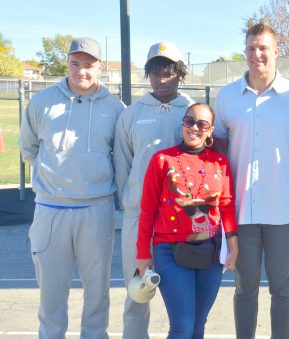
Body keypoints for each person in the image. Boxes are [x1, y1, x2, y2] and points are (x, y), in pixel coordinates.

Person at [214, 23, 289, 339]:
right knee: (244, 288)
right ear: (245, 52)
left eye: (263, 48)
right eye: (250, 48)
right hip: (241, 212)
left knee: (282, 288)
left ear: (276, 51)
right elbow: (218, 157)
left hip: (283, 211)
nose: (256, 54)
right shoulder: (228, 96)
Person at [19, 37, 125, 338]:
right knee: (51, 295)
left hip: (96, 208)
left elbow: (121, 154)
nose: (81, 71)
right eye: (75, 64)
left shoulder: (115, 107)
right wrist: (51, 177)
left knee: (97, 292)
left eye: (89, 65)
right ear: (67, 63)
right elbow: (28, 148)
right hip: (51, 209)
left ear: (100, 67)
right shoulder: (42, 101)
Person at [136, 103, 239, 338]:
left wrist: (233, 245)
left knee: (197, 326)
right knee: (181, 327)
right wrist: (143, 253)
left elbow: (227, 206)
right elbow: (148, 210)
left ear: (211, 130)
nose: (194, 127)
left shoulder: (219, 163)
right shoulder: (162, 160)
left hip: (210, 253)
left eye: (202, 124)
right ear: (182, 123)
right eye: (189, 121)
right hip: (169, 253)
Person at [113, 41, 194, 338]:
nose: (162, 79)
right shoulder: (132, 114)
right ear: (148, 74)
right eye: (156, 72)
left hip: (180, 218)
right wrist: (133, 200)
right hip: (140, 217)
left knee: (183, 299)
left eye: (170, 72)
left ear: (180, 74)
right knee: (137, 294)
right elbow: (123, 164)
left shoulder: (191, 112)